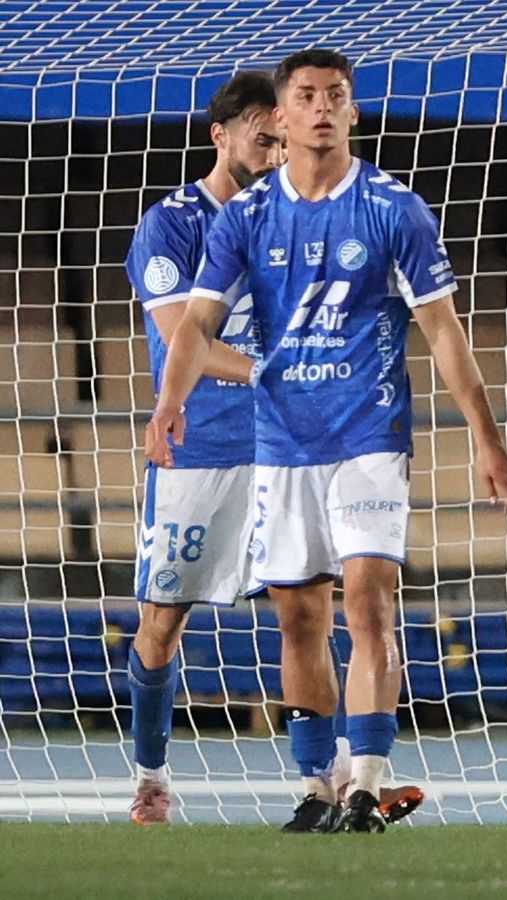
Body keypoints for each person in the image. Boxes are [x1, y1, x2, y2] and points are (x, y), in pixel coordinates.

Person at [145, 48, 507, 833]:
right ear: (280, 119)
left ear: (353, 112)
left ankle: (366, 784)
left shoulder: (394, 209)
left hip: (367, 435)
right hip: (282, 441)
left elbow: (445, 335)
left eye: (337, 96)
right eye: (307, 96)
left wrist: (489, 439)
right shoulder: (245, 218)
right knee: (297, 619)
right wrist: (166, 404)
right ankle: (318, 785)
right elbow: (198, 324)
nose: (322, 108)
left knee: (369, 602)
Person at [123, 70, 282, 825]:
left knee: (312, 608)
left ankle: (337, 777)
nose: (273, 139)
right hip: (199, 450)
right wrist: (278, 372)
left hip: (287, 447)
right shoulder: (172, 223)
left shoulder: (297, 218)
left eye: (279, 128)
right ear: (220, 134)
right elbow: (183, 339)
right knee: (163, 621)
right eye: (260, 124)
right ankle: (151, 776)